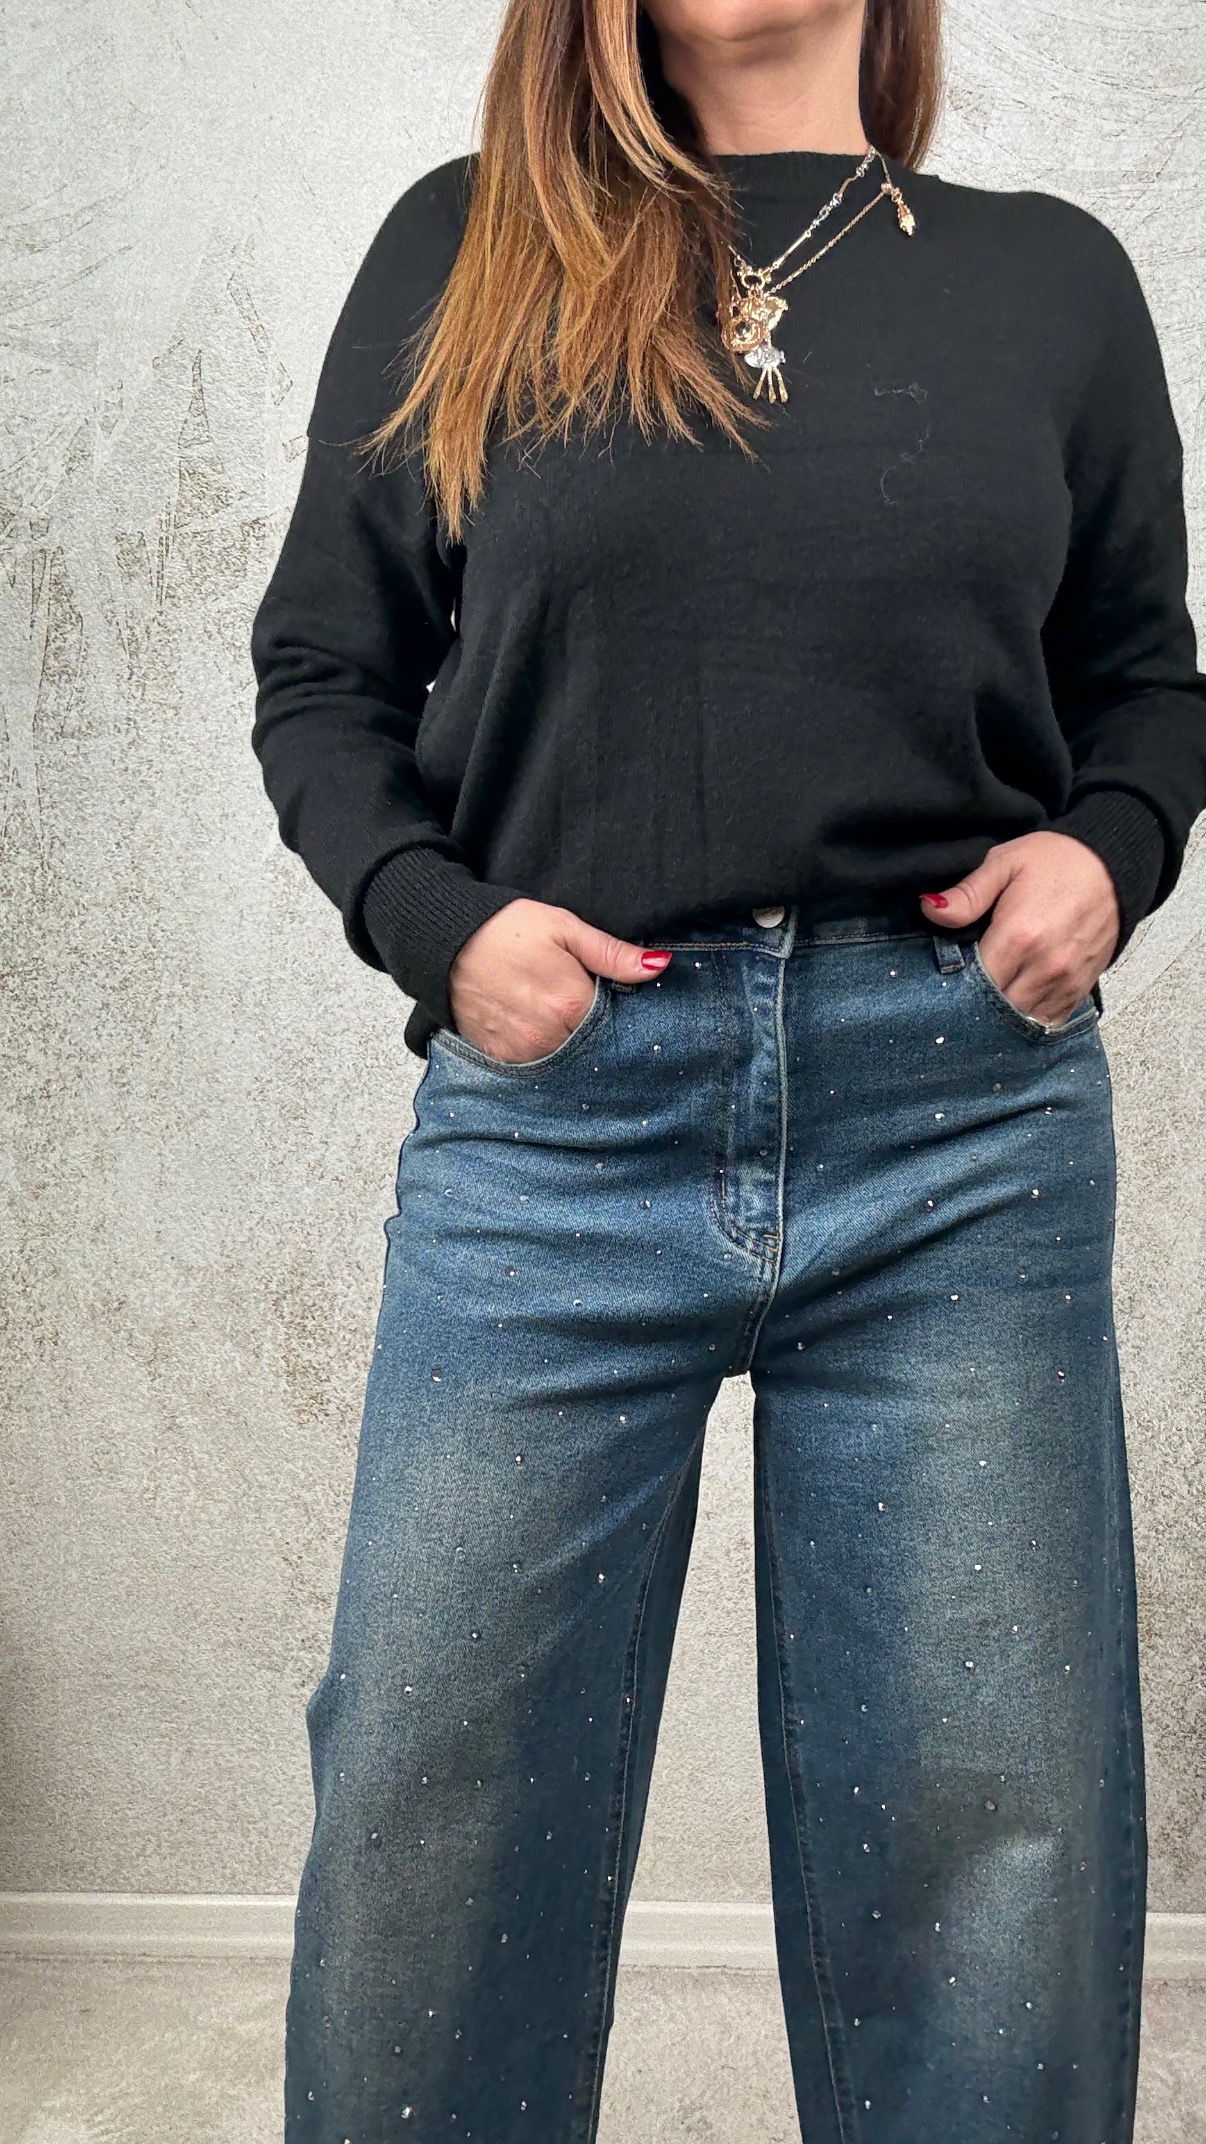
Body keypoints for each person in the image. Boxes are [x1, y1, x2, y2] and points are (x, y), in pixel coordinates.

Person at [249, 2, 1206, 2137]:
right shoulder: (467, 249)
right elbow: (321, 669)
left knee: (993, 1834)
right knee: (431, 1812)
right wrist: (435, 920)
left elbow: (1145, 681)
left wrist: (1110, 851)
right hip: (557, 1125)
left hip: (960, 1126)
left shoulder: (1051, 279)